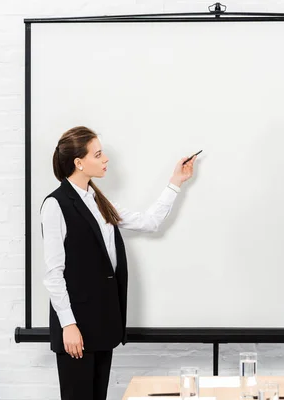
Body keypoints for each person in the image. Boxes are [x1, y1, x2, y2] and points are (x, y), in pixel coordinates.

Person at [40, 126, 197, 400]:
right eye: (98, 154)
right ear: (79, 162)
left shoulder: (99, 200)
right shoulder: (55, 205)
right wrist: (68, 325)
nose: (105, 159)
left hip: (101, 323)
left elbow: (150, 222)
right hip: (76, 327)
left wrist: (176, 182)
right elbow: (54, 273)